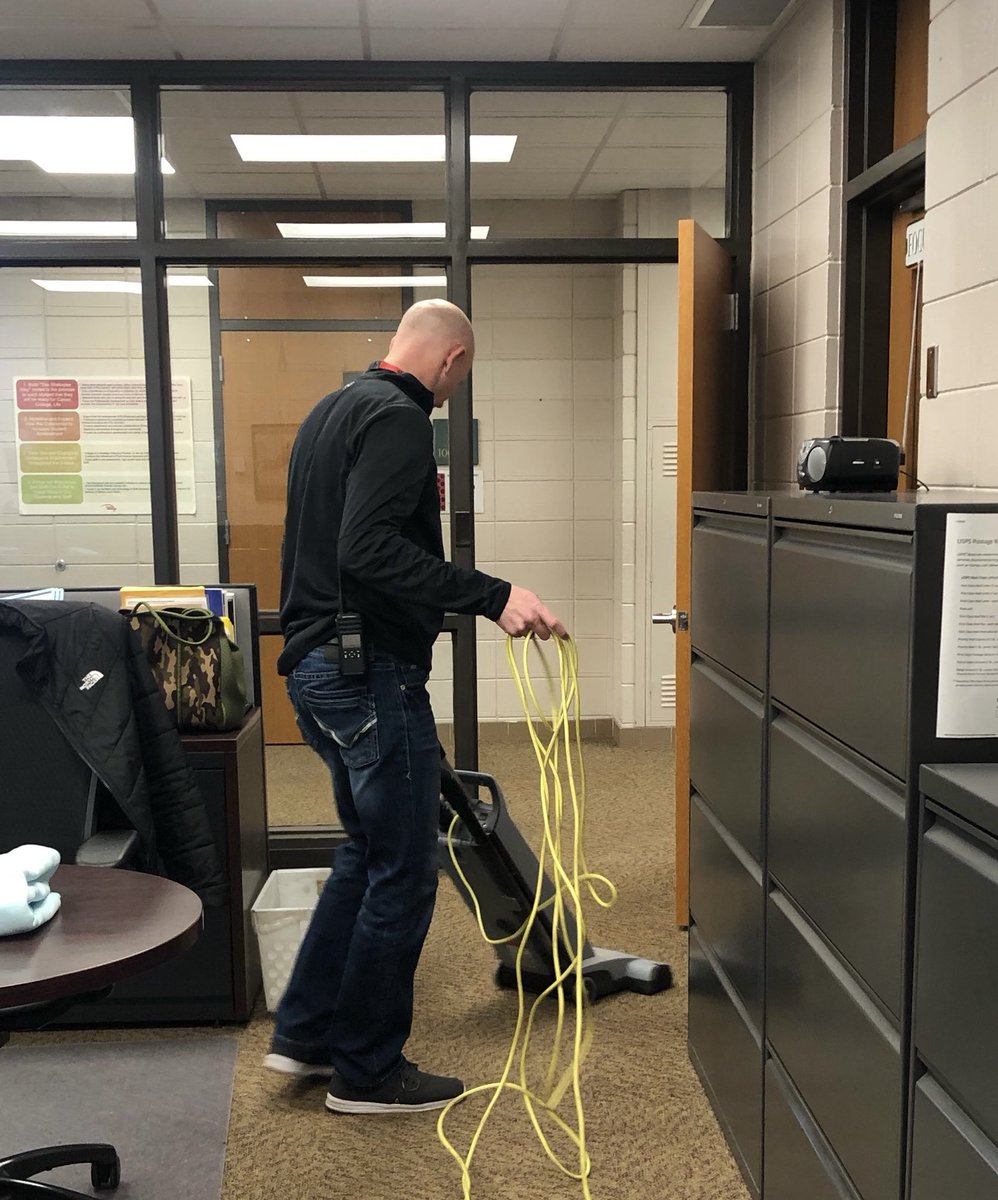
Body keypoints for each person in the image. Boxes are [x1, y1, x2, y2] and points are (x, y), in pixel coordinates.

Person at [264, 298, 567, 1115]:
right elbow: (368, 551)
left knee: (366, 853)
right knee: (404, 866)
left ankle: (306, 1034)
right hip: (368, 675)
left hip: (315, 670)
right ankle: (366, 1072)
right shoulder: (399, 420)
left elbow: (324, 548)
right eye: (458, 378)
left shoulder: (331, 410)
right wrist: (492, 595)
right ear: (452, 361)